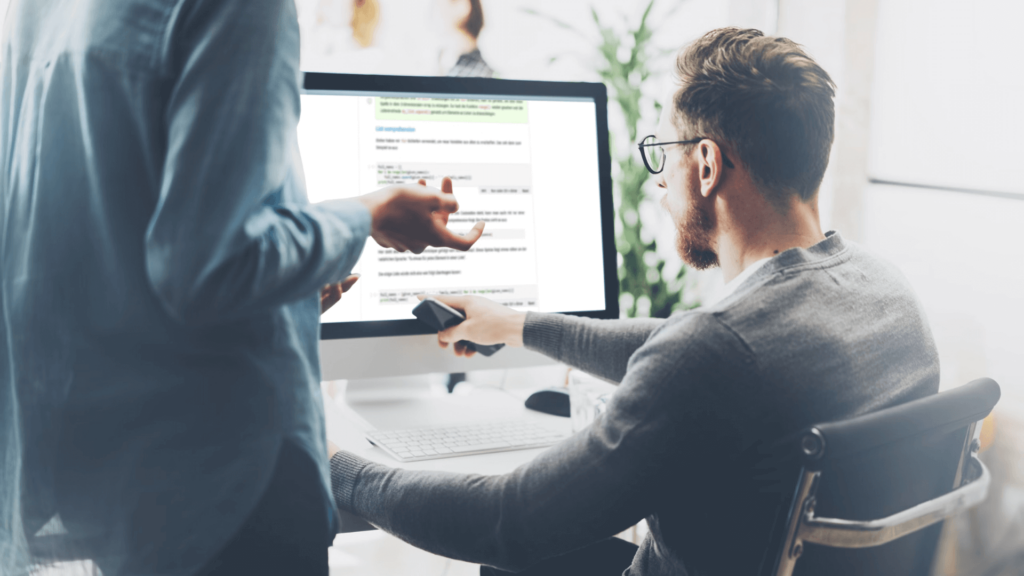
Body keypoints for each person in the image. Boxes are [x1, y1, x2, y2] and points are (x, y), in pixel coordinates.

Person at [326, 28, 940, 576]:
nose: (660, 181)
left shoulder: (716, 355)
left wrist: (337, 467)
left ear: (706, 164)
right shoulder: (886, 294)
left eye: (663, 154)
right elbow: (686, 343)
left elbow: (506, 524)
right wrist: (518, 325)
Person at [0, 1, 481, 576]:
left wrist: (286, 297)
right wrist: (366, 215)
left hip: (100, 459)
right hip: (220, 480)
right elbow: (208, 266)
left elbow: (96, 230)